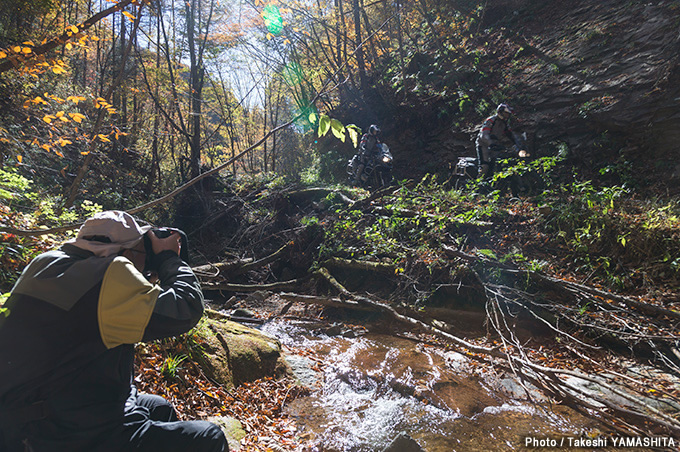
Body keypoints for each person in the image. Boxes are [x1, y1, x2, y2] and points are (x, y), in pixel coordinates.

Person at [0, 211, 227, 452]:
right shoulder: (109, 273)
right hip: (66, 435)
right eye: (142, 251)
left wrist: (143, 276)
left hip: (25, 418)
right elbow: (186, 306)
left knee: (158, 407)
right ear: (126, 253)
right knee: (209, 437)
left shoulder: (45, 262)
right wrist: (169, 258)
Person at [475, 103, 525, 179]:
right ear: (500, 112)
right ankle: (478, 185)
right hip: (483, 144)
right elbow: (484, 135)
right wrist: (491, 144)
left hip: (495, 145)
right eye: (506, 113)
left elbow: (511, 135)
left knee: (500, 163)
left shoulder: (504, 124)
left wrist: (519, 145)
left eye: (508, 114)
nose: (507, 116)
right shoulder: (491, 120)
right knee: (485, 166)